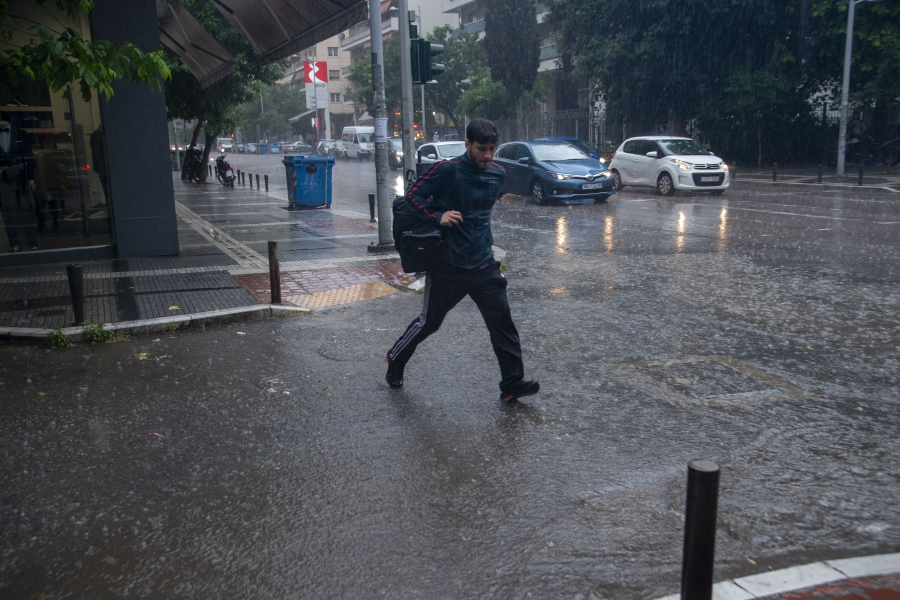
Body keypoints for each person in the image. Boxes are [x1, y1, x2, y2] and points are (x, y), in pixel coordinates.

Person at [385, 118, 539, 403]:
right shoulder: (447, 171)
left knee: (502, 324)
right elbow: (411, 198)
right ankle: (395, 357)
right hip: (448, 266)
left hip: (483, 264)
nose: (488, 155)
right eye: (482, 148)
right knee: (429, 323)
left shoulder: (497, 174)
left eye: (492, 148)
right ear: (467, 144)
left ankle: (512, 384)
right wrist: (437, 217)